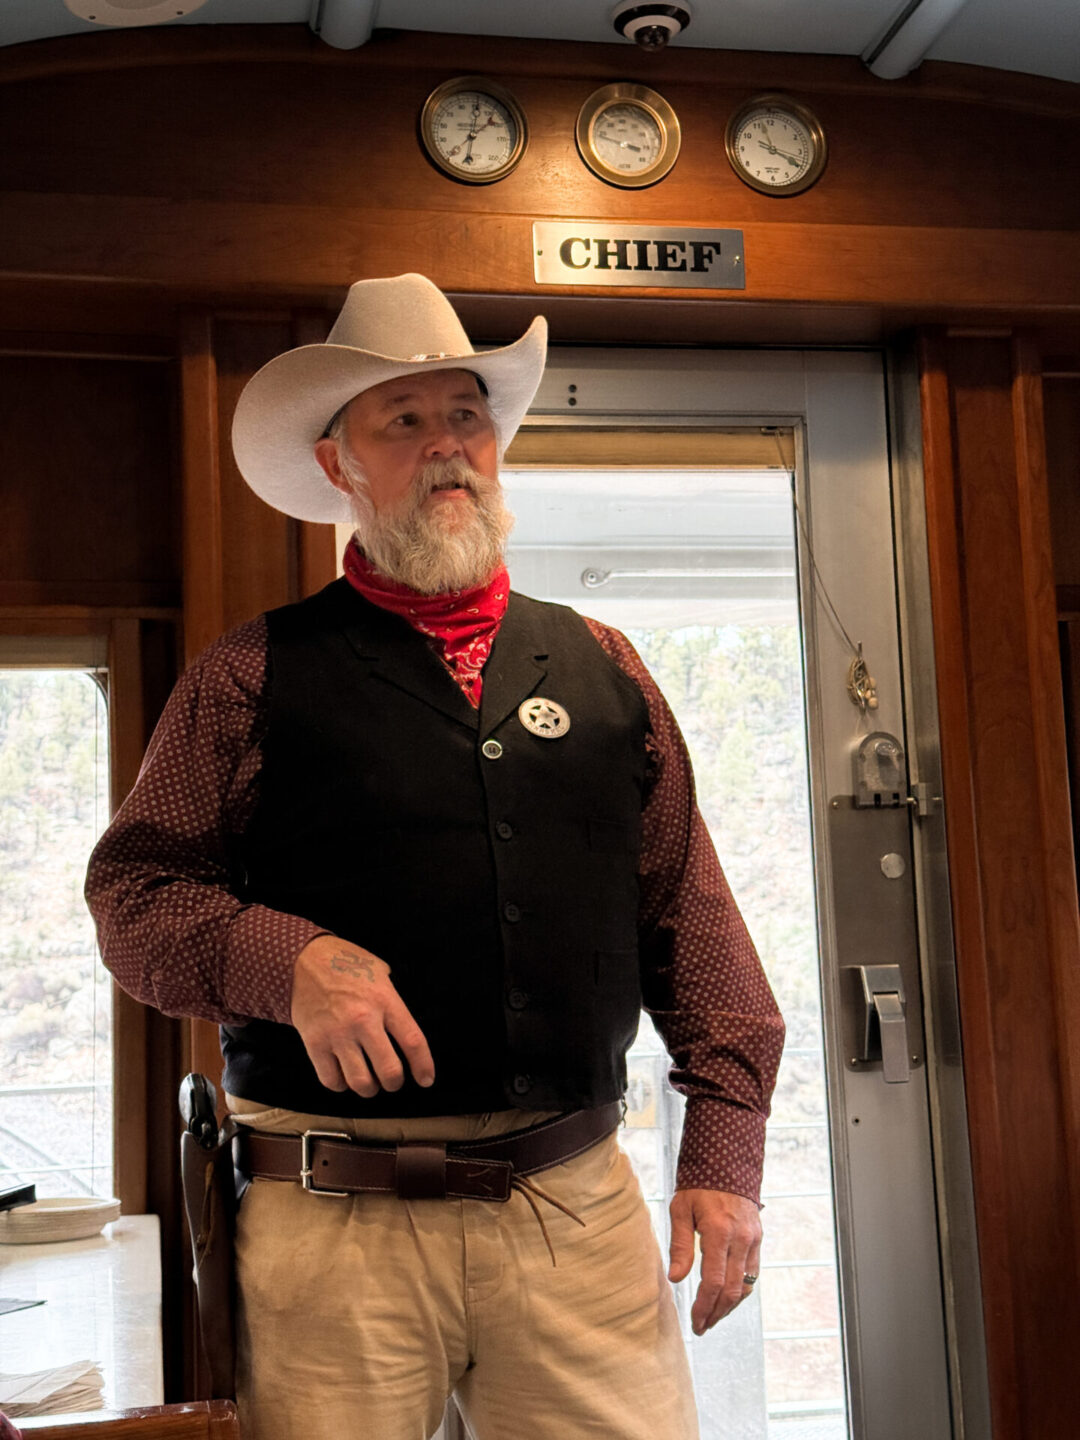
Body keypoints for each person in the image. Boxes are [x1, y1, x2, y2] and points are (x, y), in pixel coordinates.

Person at [86, 273, 784, 1440]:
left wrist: (725, 1149)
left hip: (576, 1211)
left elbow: (692, 921)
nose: (446, 448)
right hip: (330, 1228)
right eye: (401, 422)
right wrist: (284, 960)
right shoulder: (248, 673)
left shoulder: (606, 667)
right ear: (338, 469)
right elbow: (134, 898)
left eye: (466, 416)